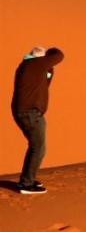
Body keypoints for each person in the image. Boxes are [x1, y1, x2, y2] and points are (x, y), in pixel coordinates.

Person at [11, 45, 65, 195]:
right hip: (29, 113)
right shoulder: (35, 64)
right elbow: (59, 55)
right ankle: (26, 183)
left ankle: (28, 179)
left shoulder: (30, 66)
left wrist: (49, 71)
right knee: (38, 148)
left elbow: (44, 84)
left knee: (37, 147)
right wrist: (50, 52)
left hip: (29, 113)